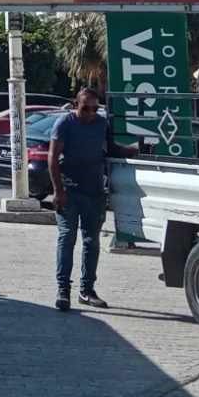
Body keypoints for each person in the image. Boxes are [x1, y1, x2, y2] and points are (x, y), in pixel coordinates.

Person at [49, 87, 131, 311]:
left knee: (91, 242)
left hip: (94, 191)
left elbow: (111, 149)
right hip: (69, 191)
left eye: (96, 108)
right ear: (76, 105)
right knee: (67, 238)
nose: (91, 113)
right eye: (86, 108)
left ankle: (86, 290)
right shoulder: (64, 124)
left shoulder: (101, 124)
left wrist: (132, 151)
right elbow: (53, 159)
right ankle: (63, 290)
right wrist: (58, 191)